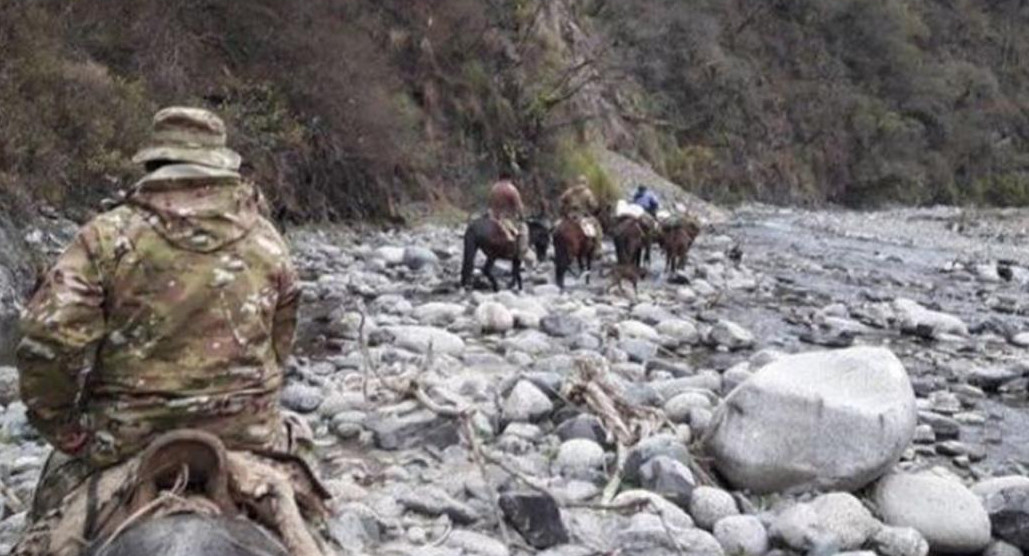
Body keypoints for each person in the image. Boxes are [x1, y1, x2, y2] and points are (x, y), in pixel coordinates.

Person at [14, 107, 313, 552]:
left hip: (123, 438)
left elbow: (48, 342)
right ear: (221, 166)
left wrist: (62, 427)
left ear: (153, 164)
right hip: (245, 433)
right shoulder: (269, 242)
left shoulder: (105, 237)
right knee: (307, 476)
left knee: (51, 516)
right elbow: (280, 345)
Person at [487, 179, 527, 249]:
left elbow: (489, 203)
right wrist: (522, 216)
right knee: (524, 229)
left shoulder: (494, 188)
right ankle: (521, 251)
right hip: (506, 218)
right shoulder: (512, 189)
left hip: (492, 216)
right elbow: (519, 207)